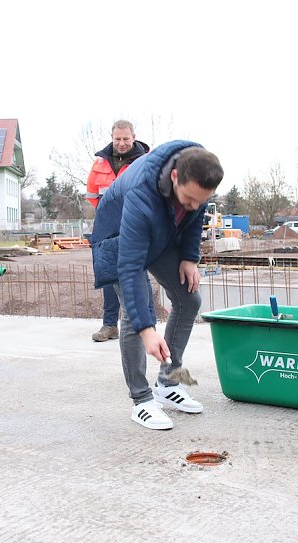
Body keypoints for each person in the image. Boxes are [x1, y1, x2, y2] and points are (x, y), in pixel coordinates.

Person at [90, 141, 224, 430]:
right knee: (135, 316)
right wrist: (147, 330)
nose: (193, 206)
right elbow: (130, 265)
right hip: (118, 240)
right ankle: (141, 401)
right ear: (174, 177)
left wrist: (190, 257)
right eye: (188, 198)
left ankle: (168, 381)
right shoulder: (143, 192)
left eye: (201, 200)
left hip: (160, 233)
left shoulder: (197, 171)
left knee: (189, 300)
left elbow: (194, 215)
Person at [86, 120, 152, 342]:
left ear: (134, 137)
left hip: (135, 226)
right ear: (112, 137)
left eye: (125, 139)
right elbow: (92, 195)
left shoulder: (145, 161)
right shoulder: (100, 164)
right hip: (107, 228)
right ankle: (109, 325)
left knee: (138, 272)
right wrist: (108, 217)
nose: (121, 143)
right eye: (117, 139)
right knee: (108, 273)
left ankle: (143, 323)